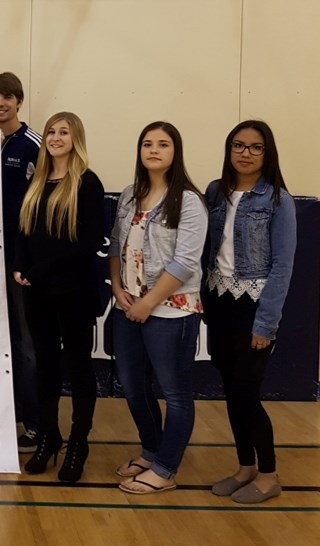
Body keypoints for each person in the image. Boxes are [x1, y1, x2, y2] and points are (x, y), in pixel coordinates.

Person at [109, 121, 207, 494]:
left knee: (175, 392)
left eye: (163, 144)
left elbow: (184, 263)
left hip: (170, 312)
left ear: (174, 152)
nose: (153, 150)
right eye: (147, 143)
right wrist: (118, 289)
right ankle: (151, 451)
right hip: (128, 307)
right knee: (134, 387)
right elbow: (118, 244)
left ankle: (165, 469)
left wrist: (148, 303)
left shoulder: (189, 201)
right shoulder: (131, 194)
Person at [204, 120, 296, 503]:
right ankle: (245, 466)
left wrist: (266, 323)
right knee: (231, 390)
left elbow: (283, 265)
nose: (245, 153)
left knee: (246, 392)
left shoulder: (277, 200)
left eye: (255, 147)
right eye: (238, 145)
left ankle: (269, 474)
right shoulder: (215, 192)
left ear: (267, 153)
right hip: (219, 302)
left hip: (254, 307)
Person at [13, 112, 104, 481]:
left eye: (63, 132)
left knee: (79, 368)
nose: (55, 137)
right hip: (38, 293)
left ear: (75, 138)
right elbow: (24, 232)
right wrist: (20, 266)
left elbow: (89, 242)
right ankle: (49, 438)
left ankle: (78, 444)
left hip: (74, 292)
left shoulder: (87, 183)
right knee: (46, 368)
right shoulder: (36, 181)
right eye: (51, 131)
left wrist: (40, 271)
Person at [0, 72, 41, 453]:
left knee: (25, 342)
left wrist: (28, 260)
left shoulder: (35, 144)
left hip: (20, 261)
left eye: (7, 97)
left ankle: (34, 424)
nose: (0, 103)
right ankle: (1, 416)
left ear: (19, 101)